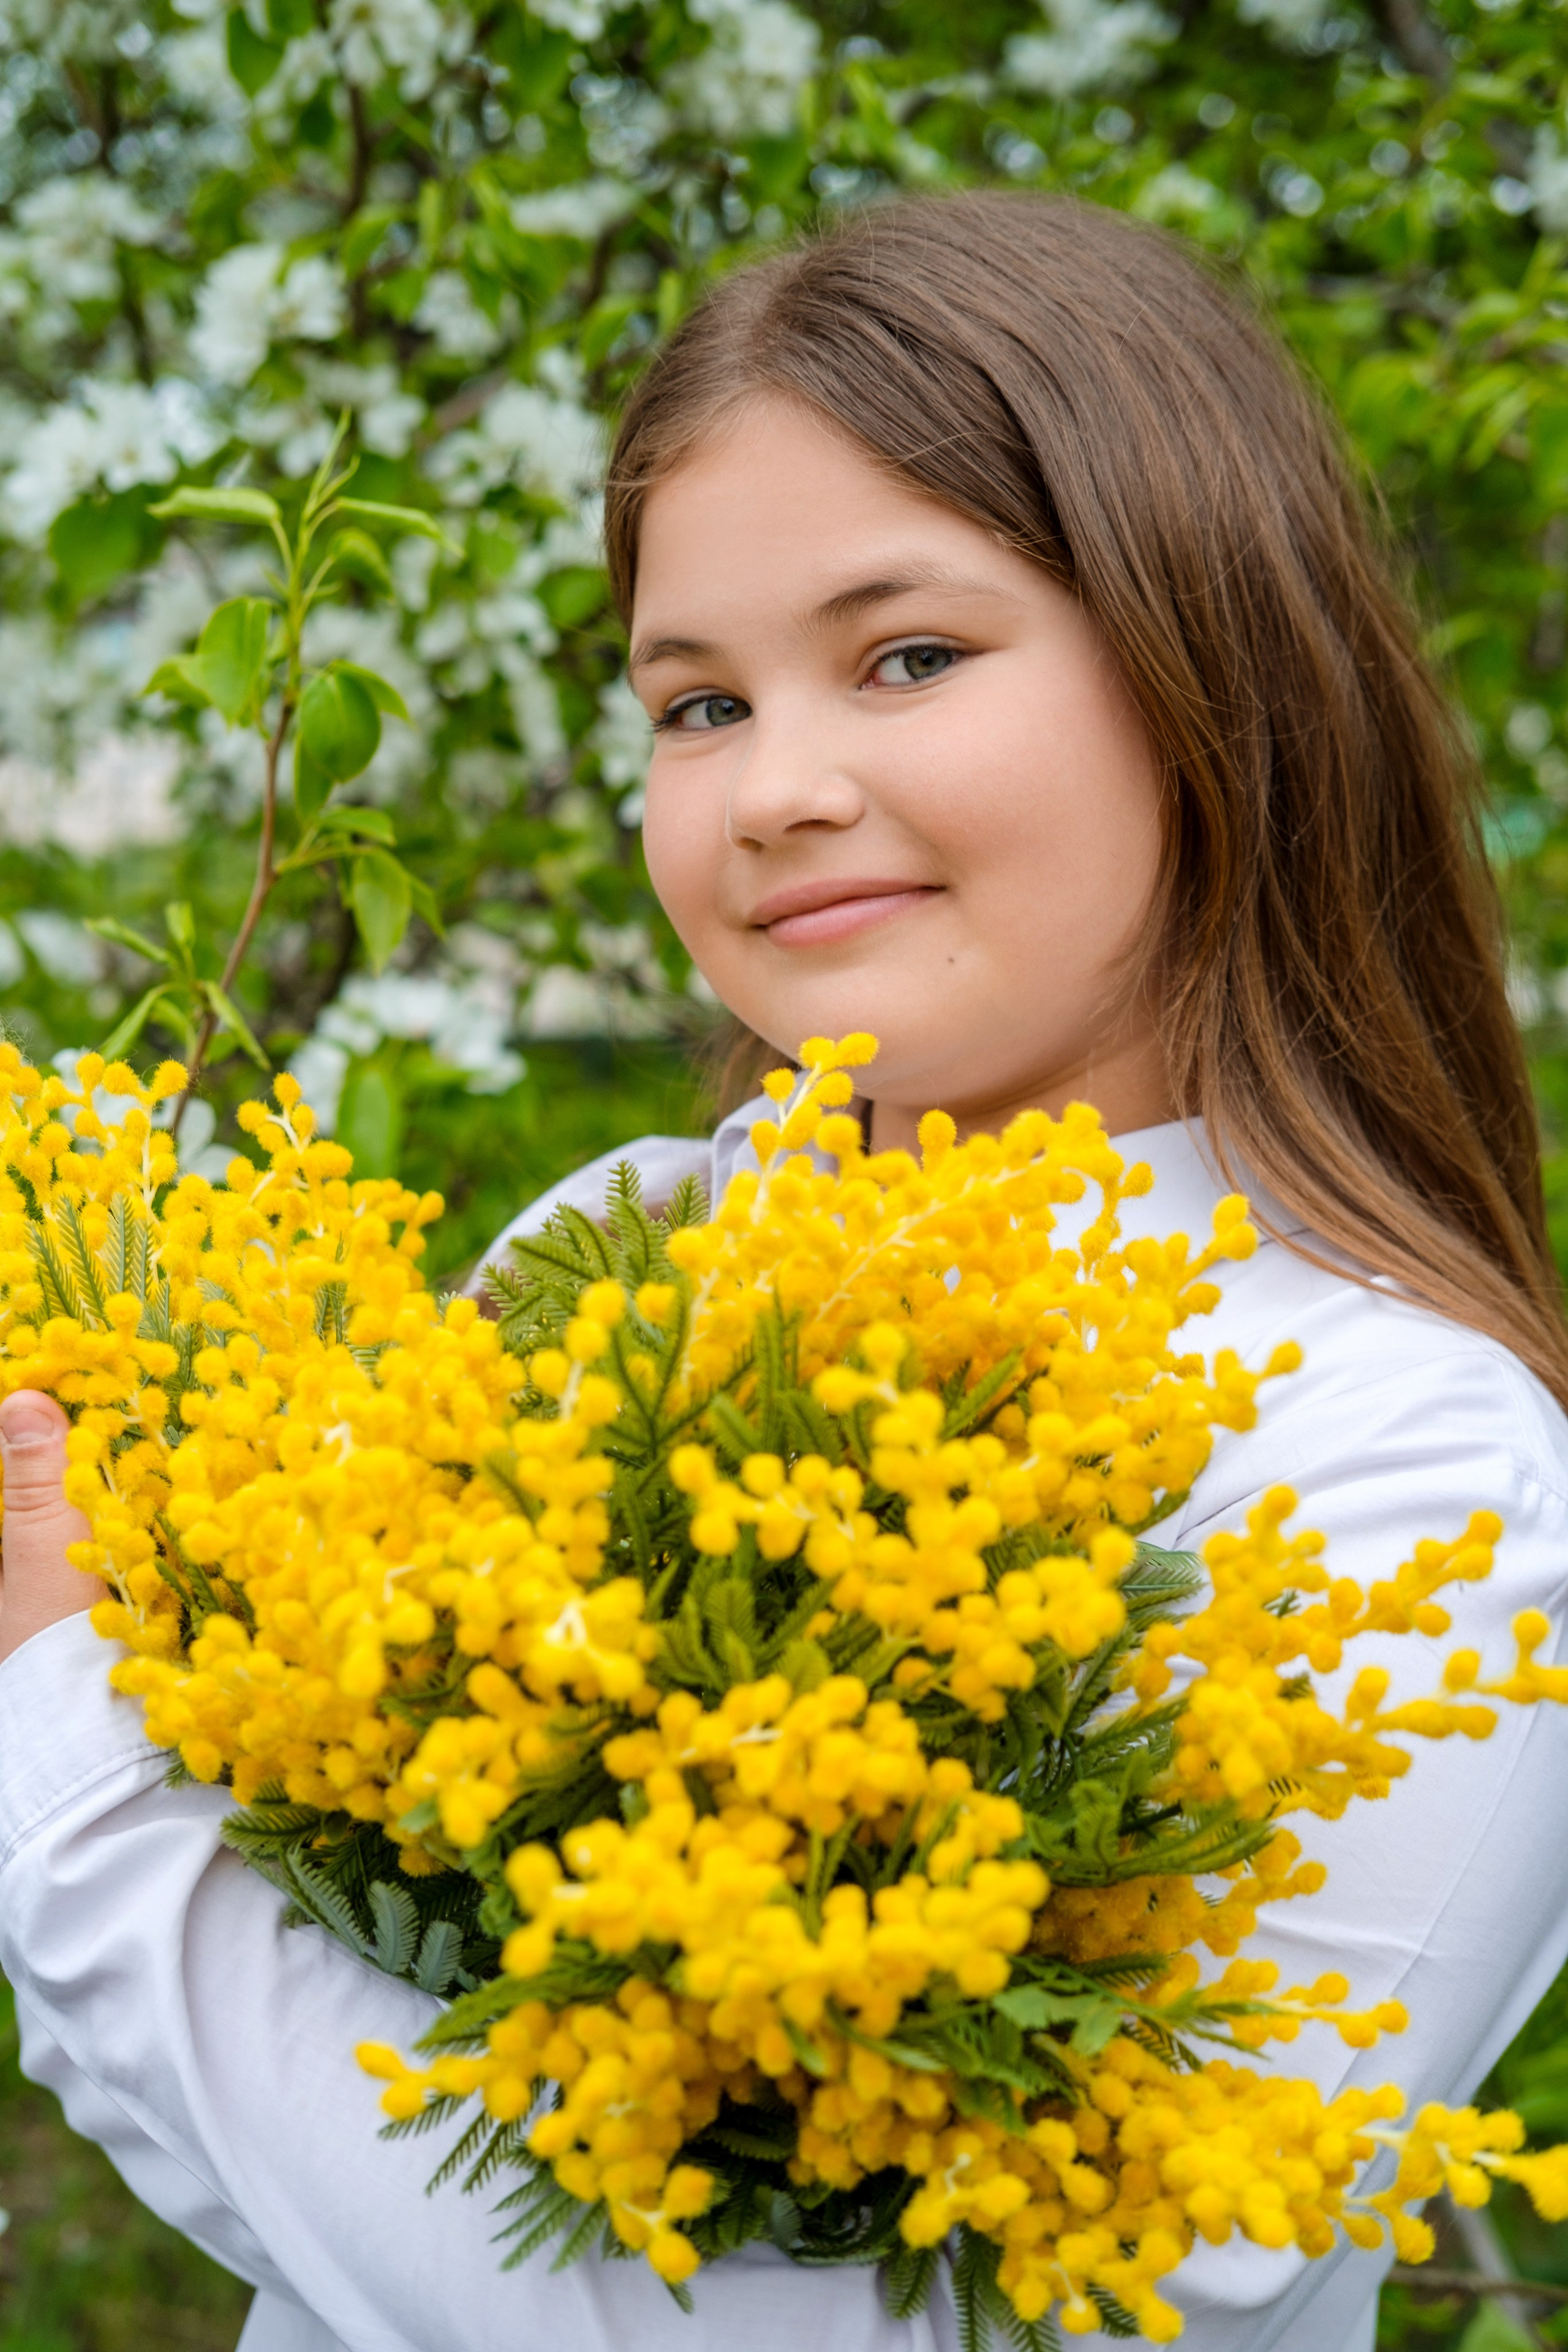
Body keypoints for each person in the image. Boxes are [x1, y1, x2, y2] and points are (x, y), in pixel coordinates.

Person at [3, 190, 1568, 2352]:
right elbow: (344, 2129)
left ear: (1215, 663)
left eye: (908, 656)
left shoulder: (1419, 1466)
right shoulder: (613, 1252)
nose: (772, 793)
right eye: (698, 703)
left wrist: (65, 1768)